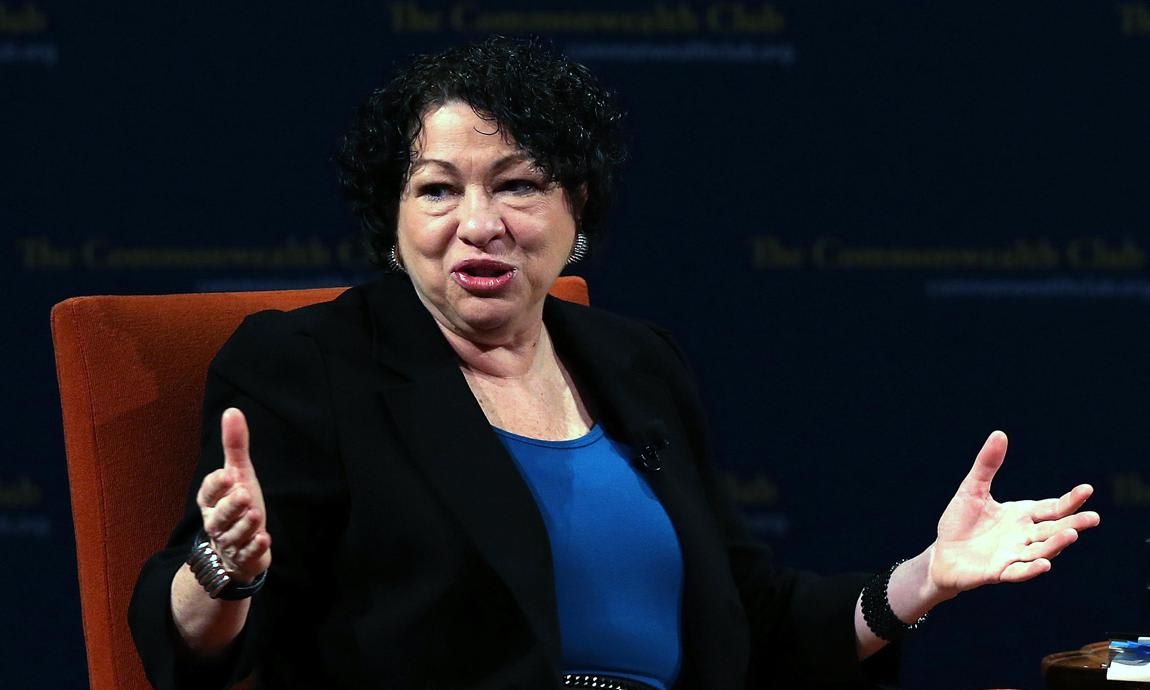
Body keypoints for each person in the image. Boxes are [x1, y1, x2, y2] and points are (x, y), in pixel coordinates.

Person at [129, 36, 1100, 690]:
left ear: (575, 211)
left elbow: (751, 625)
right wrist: (224, 568)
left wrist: (923, 578)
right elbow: (195, 650)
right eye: (436, 189)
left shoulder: (632, 362)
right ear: (392, 220)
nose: (479, 224)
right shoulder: (309, 367)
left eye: (519, 185)